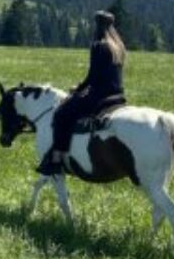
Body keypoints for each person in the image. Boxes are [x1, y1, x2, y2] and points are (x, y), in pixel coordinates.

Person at [36, 11, 127, 176]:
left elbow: (93, 76)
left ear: (97, 26)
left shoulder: (98, 45)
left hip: (99, 96)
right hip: (117, 96)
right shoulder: (118, 47)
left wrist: (78, 89)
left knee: (61, 114)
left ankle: (56, 158)